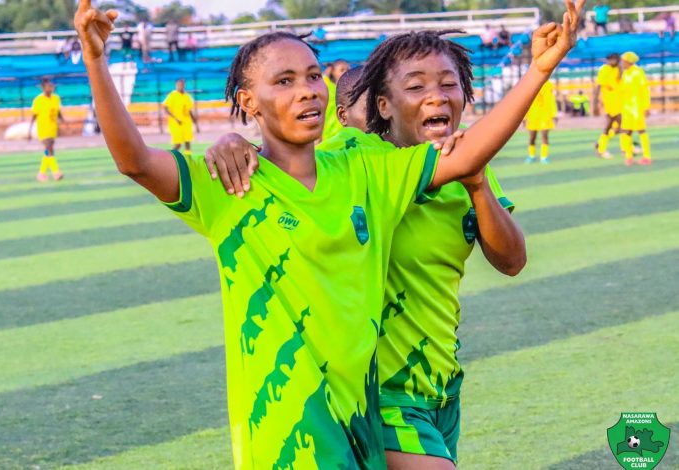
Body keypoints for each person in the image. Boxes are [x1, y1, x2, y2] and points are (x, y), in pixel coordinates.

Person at [75, 0, 580, 466]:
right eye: (285, 81)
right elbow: (135, 161)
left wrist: (540, 68)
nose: (306, 90)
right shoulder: (233, 185)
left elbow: (471, 162)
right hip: (289, 426)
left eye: (314, 76)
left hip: (359, 411)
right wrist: (96, 60)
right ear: (249, 101)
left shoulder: (365, 175)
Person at [619, 51, 651, 166]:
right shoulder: (625, 73)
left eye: (623, 61)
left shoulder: (638, 72)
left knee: (641, 130)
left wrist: (646, 106)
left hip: (637, 106)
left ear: (628, 61)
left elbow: (644, 90)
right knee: (627, 131)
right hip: (627, 107)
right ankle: (629, 157)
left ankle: (647, 156)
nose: (621, 63)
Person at [28, 78, 64, 181]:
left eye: (51, 86)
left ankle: (41, 173)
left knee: (48, 151)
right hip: (43, 128)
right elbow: (34, 116)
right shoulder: (38, 100)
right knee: (49, 148)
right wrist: (29, 131)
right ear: (43, 88)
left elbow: (58, 112)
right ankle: (56, 172)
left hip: (52, 128)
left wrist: (64, 123)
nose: (51, 88)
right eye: (48, 86)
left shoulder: (56, 98)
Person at [594, 52, 621, 159]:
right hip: (610, 103)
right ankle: (601, 149)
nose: (612, 61)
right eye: (610, 59)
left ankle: (600, 145)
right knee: (617, 126)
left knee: (618, 127)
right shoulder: (604, 70)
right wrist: (595, 104)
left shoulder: (619, 69)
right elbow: (598, 87)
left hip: (620, 102)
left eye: (614, 59)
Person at [162, 78, 198, 157]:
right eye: (179, 84)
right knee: (178, 144)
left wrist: (195, 122)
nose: (180, 86)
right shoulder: (172, 95)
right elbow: (165, 108)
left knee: (187, 142)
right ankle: (169, 157)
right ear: (176, 85)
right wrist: (175, 118)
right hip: (175, 123)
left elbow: (189, 110)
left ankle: (188, 158)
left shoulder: (187, 96)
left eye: (182, 84)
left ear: (184, 85)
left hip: (186, 122)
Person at [524, 80, 558, 164]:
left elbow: (551, 100)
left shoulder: (549, 85)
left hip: (545, 115)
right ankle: (531, 155)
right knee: (532, 137)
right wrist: (525, 117)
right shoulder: (530, 84)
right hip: (533, 115)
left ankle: (544, 156)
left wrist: (554, 114)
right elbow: (526, 101)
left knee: (545, 135)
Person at [321, 59, 350, 141]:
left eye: (347, 69)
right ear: (333, 72)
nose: (345, 72)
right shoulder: (328, 87)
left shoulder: (349, 90)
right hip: (329, 134)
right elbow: (322, 78)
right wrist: (329, 69)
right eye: (342, 70)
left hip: (345, 135)